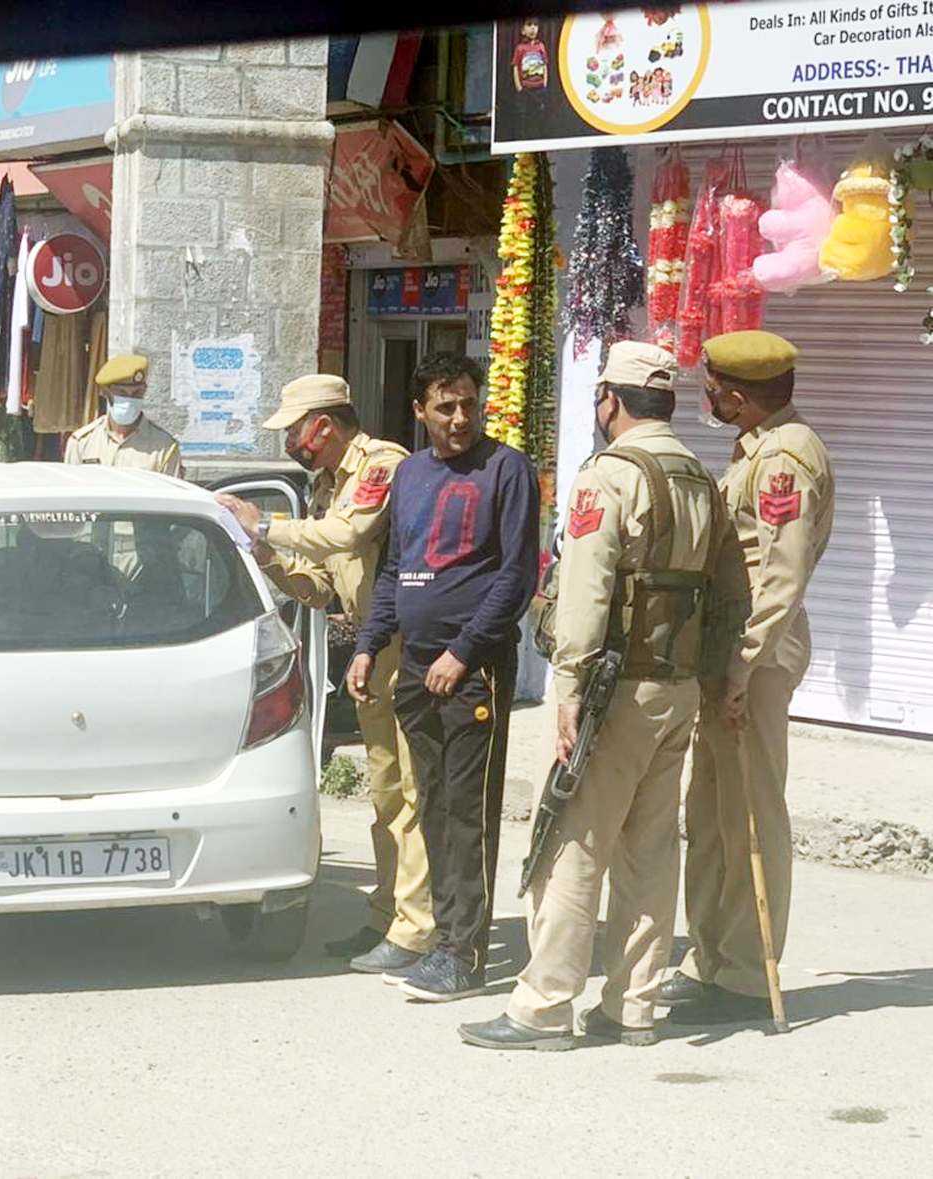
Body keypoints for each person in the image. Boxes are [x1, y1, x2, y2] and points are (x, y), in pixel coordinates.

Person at [457, 342, 747, 1051]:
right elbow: (731, 591)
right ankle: (632, 1006)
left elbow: (586, 592)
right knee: (650, 851)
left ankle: (543, 1006)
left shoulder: (609, 477)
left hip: (611, 690)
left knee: (570, 842)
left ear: (610, 401)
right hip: (674, 687)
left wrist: (567, 688)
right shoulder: (699, 477)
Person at [217, 375, 437, 976]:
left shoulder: (380, 462)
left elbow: (349, 534)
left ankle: (416, 927)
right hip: (370, 644)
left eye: (296, 431)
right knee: (387, 791)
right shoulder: (325, 486)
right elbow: (321, 586)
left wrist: (265, 526)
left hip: (403, 642)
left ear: (326, 424)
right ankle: (387, 913)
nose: (292, 443)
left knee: (411, 793)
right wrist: (267, 558)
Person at [348, 354, 539, 1002]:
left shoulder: (504, 468)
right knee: (429, 805)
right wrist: (370, 645)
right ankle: (442, 938)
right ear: (420, 411)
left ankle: (465, 955)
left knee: (467, 813)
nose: (459, 417)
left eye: (467, 403)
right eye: (444, 405)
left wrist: (462, 651)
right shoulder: (409, 474)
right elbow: (394, 568)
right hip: (414, 666)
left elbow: (515, 575)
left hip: (471, 668)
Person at [658, 330, 836, 1025]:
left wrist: (741, 666)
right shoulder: (757, 450)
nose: (705, 398)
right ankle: (707, 957)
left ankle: (739, 972)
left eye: (710, 388)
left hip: (753, 658)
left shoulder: (786, 457)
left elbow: (780, 577)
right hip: (728, 651)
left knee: (749, 813)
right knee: (709, 812)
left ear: (734, 394)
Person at [64, 353, 185, 478]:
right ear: (106, 393)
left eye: (137, 393)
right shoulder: (82, 442)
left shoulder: (164, 448)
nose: (130, 399)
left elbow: (171, 496)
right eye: (122, 392)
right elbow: (71, 492)